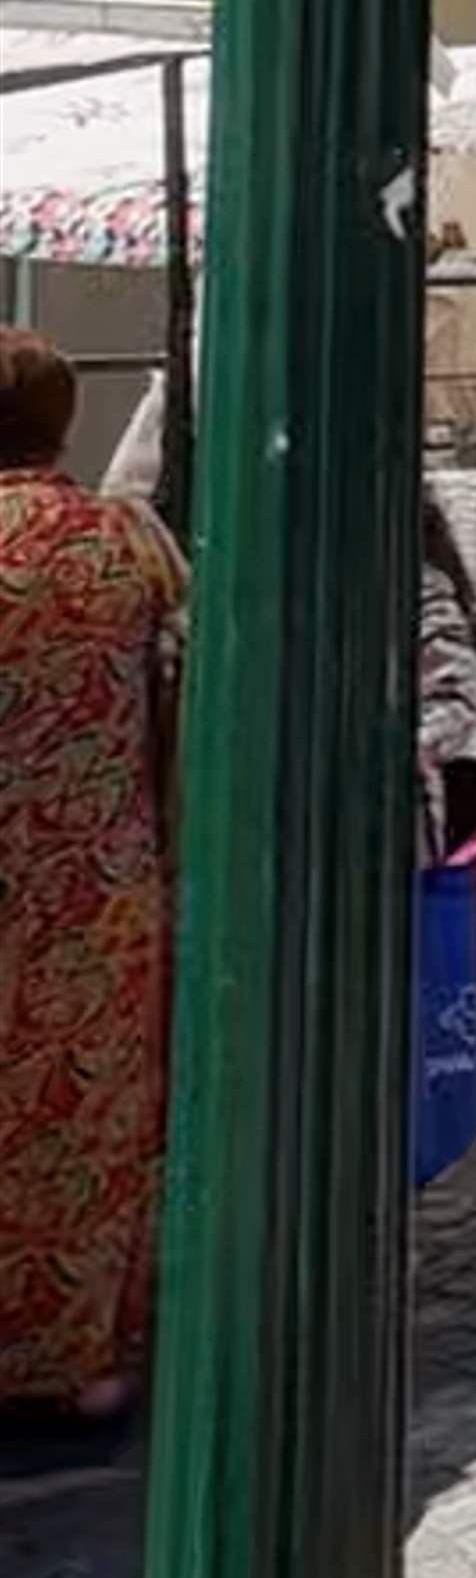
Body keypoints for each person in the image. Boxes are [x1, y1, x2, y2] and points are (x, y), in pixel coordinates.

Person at [0, 332, 186, 1435]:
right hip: (97, 891)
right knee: (87, 1122)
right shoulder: (124, 540)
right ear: (65, 423)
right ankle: (81, 1357)